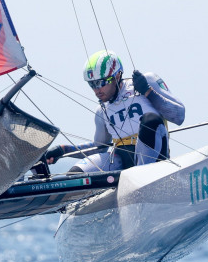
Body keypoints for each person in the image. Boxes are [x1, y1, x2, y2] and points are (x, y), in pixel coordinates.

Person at [42, 50, 185, 173]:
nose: (97, 90)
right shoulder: (101, 111)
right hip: (122, 162)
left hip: (153, 159)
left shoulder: (146, 81)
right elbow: (99, 148)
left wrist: (148, 91)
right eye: (92, 84)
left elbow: (179, 116)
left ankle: (141, 177)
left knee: (150, 120)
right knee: (76, 174)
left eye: (101, 83)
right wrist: (63, 150)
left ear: (117, 76)